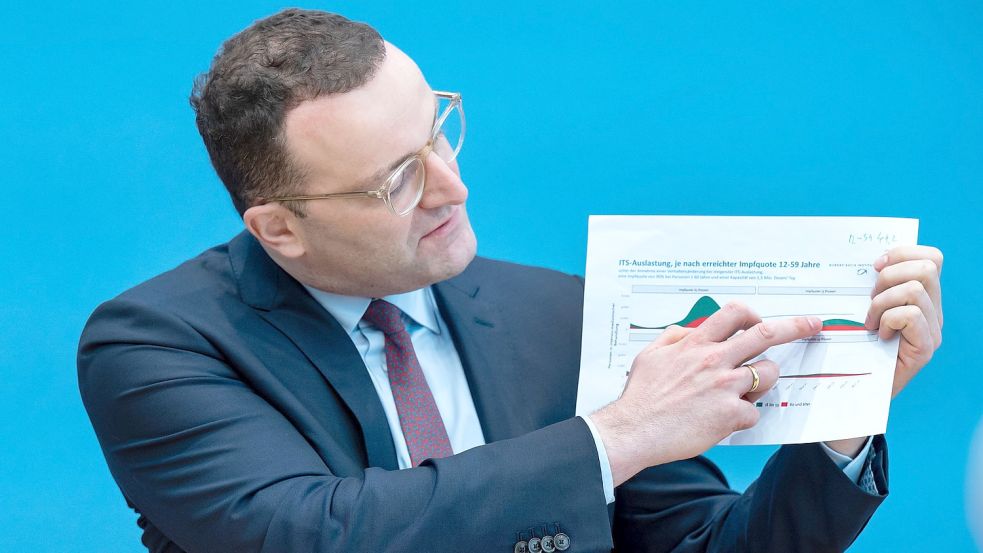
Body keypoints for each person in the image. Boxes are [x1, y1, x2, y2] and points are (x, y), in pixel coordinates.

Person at [77, 8, 945, 553]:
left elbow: (703, 544)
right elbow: (304, 533)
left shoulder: (556, 312)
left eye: (437, 132)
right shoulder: (156, 341)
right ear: (278, 228)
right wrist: (614, 436)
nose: (452, 186)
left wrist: (844, 411)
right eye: (396, 182)